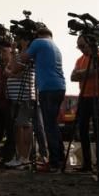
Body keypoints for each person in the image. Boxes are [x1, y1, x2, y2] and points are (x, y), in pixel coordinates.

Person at [20, 25, 65, 173]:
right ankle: (59, 158)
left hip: (48, 88)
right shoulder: (55, 46)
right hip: (59, 86)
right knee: (53, 124)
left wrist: (24, 46)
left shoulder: (39, 43)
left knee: (49, 126)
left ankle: (54, 162)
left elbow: (24, 58)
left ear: (38, 35)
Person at [70, 34, 99, 173]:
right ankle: (87, 162)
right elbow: (73, 76)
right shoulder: (80, 59)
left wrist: (80, 73)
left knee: (98, 130)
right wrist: (84, 73)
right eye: (79, 46)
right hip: (84, 96)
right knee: (82, 129)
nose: (81, 49)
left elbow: (97, 71)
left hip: (98, 95)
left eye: (83, 46)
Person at [4, 40, 37, 168]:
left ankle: (24, 158)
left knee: (24, 126)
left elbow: (14, 69)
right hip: (14, 96)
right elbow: (9, 69)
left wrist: (12, 72)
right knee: (17, 127)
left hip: (25, 96)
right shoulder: (17, 55)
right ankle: (19, 156)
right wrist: (12, 70)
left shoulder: (29, 55)